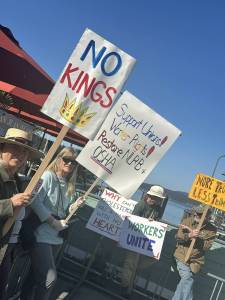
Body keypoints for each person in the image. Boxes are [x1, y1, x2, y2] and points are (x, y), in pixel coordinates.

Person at [21, 147, 84, 300]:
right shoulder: (47, 176)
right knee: (49, 279)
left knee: (35, 278)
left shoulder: (70, 185)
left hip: (56, 236)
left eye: (73, 162)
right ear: (58, 159)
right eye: (66, 159)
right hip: (41, 234)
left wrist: (74, 206)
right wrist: (52, 221)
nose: (69, 163)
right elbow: (35, 200)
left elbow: (64, 210)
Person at [0, 127, 42, 298]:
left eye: (25, 151)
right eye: (16, 147)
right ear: (2, 148)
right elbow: (10, 205)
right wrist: (10, 203)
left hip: (6, 250)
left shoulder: (17, 181)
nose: (21, 153)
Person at [120, 185, 167, 298]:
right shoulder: (140, 205)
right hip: (135, 239)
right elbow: (133, 221)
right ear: (147, 195)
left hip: (146, 242)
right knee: (130, 263)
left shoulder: (158, 209)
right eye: (151, 196)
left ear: (159, 200)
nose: (152, 199)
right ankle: (125, 287)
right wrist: (145, 221)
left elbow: (157, 223)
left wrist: (154, 222)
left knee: (151, 259)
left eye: (155, 198)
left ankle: (129, 281)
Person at [172, 204, 217, 300]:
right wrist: (189, 235)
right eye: (196, 212)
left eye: (200, 214)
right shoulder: (187, 221)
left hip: (195, 262)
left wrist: (197, 238)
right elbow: (178, 238)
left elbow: (207, 246)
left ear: (207, 216)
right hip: (181, 256)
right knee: (188, 278)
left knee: (186, 281)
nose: (196, 214)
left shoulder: (212, 229)